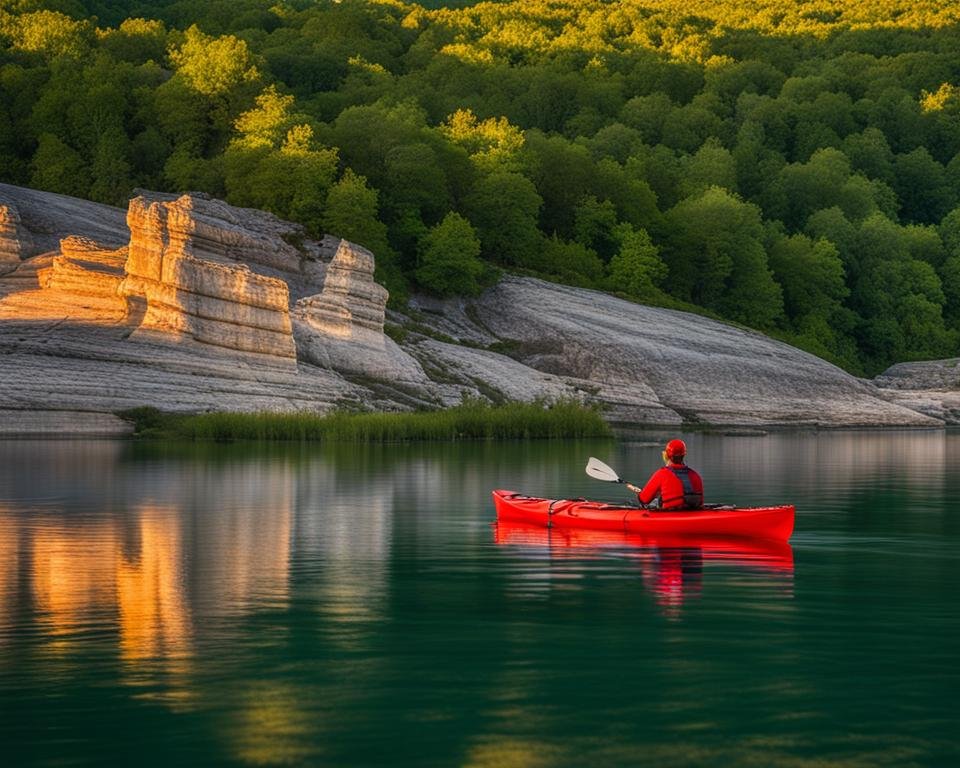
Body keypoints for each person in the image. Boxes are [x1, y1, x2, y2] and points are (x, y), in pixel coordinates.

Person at [625, 439, 703, 510]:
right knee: (656, 502)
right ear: (684, 455)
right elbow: (700, 503)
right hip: (693, 516)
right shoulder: (695, 475)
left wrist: (639, 493)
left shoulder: (662, 473)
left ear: (666, 455)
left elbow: (644, 500)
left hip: (669, 518)